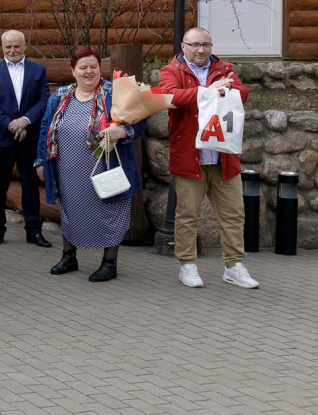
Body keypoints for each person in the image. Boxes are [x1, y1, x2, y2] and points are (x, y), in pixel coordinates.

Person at [157, 27, 259, 289]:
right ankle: (187, 266)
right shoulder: (172, 71)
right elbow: (171, 97)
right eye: (195, 44)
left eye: (206, 44)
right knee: (187, 215)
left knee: (235, 215)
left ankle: (234, 266)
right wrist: (208, 91)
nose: (201, 50)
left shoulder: (225, 69)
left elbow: (243, 94)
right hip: (190, 158)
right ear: (183, 46)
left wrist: (224, 89)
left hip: (224, 158)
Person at [36, 47, 144, 283]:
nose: (89, 71)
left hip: (107, 167)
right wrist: (40, 161)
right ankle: (69, 256)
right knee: (69, 212)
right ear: (73, 70)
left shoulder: (114, 93)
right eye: (83, 67)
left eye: (93, 66)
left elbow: (140, 122)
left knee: (110, 211)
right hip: (67, 169)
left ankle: (109, 262)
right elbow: (45, 128)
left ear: (100, 68)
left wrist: (123, 130)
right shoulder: (59, 96)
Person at [0, 30, 51, 249]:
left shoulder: (38, 70)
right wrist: (11, 125)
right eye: (7, 47)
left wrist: (25, 120)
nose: (12, 51)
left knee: (30, 185)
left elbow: (43, 100)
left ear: (25, 46)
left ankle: (33, 230)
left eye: (16, 47)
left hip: (29, 137)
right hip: (1, 137)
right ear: (2, 47)